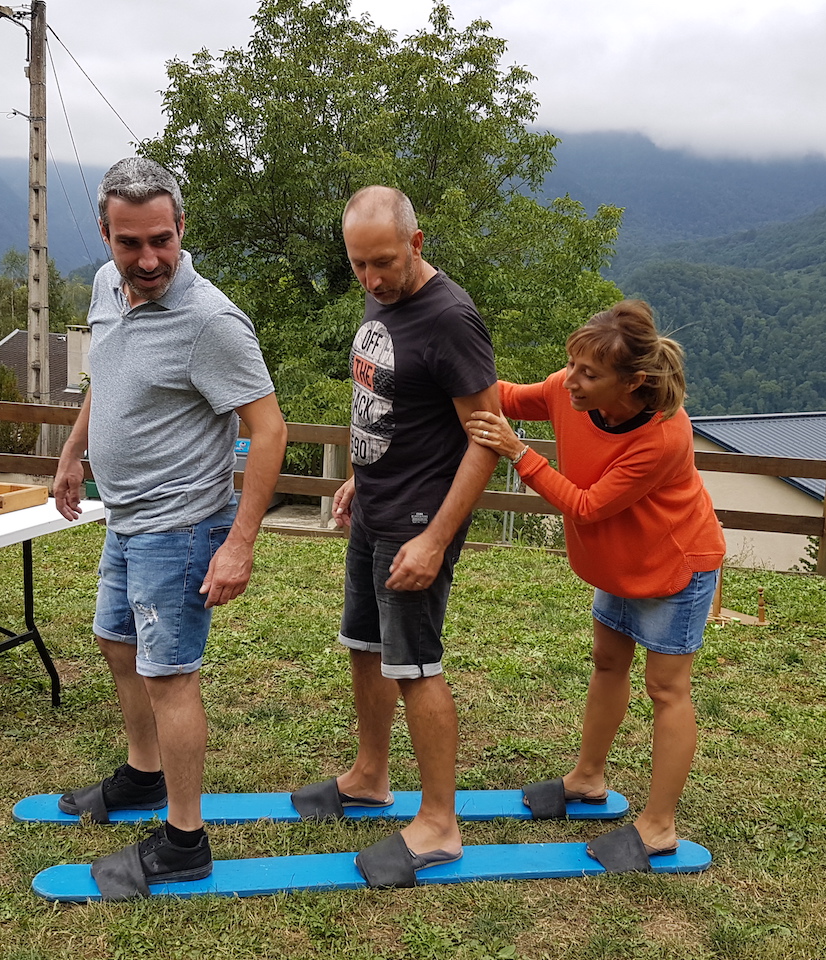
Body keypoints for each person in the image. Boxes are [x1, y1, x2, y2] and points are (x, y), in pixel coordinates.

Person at [52, 157, 286, 898]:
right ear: (105, 235)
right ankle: (143, 777)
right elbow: (106, 372)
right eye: (130, 243)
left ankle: (185, 840)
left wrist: (240, 542)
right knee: (116, 644)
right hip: (126, 517)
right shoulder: (103, 287)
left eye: (161, 239)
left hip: (181, 526)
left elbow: (270, 428)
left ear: (182, 228)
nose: (148, 259)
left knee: (170, 675)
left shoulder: (210, 321)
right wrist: (74, 446)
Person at [289, 185, 499, 889]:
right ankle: (371, 777)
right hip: (376, 505)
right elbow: (379, 397)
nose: (372, 279)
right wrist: (357, 474)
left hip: (418, 523)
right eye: (359, 266)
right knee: (366, 650)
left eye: (383, 262)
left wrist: (437, 539)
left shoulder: (452, 318)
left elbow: (488, 439)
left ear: (416, 243)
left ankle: (438, 823)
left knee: (415, 668)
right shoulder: (383, 292)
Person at [465, 299, 725, 866]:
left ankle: (658, 826)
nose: (572, 382)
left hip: (673, 566)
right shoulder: (569, 388)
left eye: (589, 373)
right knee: (608, 662)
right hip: (621, 563)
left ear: (631, 382)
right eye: (572, 365)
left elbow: (585, 506)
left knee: (667, 689)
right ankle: (587, 778)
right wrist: (451, 372)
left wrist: (518, 452)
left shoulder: (662, 437)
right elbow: (509, 396)